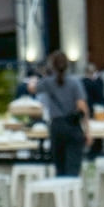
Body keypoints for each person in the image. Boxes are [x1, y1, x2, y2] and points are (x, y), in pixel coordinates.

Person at [35, 49, 90, 177]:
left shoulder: (47, 82)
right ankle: (73, 187)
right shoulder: (75, 82)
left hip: (56, 125)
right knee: (73, 166)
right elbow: (82, 107)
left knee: (59, 167)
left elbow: (32, 88)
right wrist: (87, 130)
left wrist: (44, 74)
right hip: (73, 125)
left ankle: (61, 186)